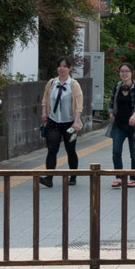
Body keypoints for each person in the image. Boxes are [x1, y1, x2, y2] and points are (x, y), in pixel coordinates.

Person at [39, 57, 84, 188]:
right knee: (52, 149)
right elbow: (45, 99)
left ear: (70, 68)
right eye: (59, 66)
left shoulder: (74, 85)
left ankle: (73, 176)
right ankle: (49, 178)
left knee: (70, 150)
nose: (62, 68)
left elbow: (78, 106)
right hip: (53, 120)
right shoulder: (51, 83)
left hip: (69, 122)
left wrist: (76, 122)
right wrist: (44, 113)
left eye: (65, 66)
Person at [106, 62, 135, 187]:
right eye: (122, 71)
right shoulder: (117, 86)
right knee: (116, 151)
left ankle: (133, 178)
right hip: (119, 124)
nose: (124, 74)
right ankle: (119, 177)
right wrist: (111, 114)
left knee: (134, 153)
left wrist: (134, 116)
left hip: (134, 126)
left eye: (127, 71)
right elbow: (111, 103)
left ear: (132, 73)